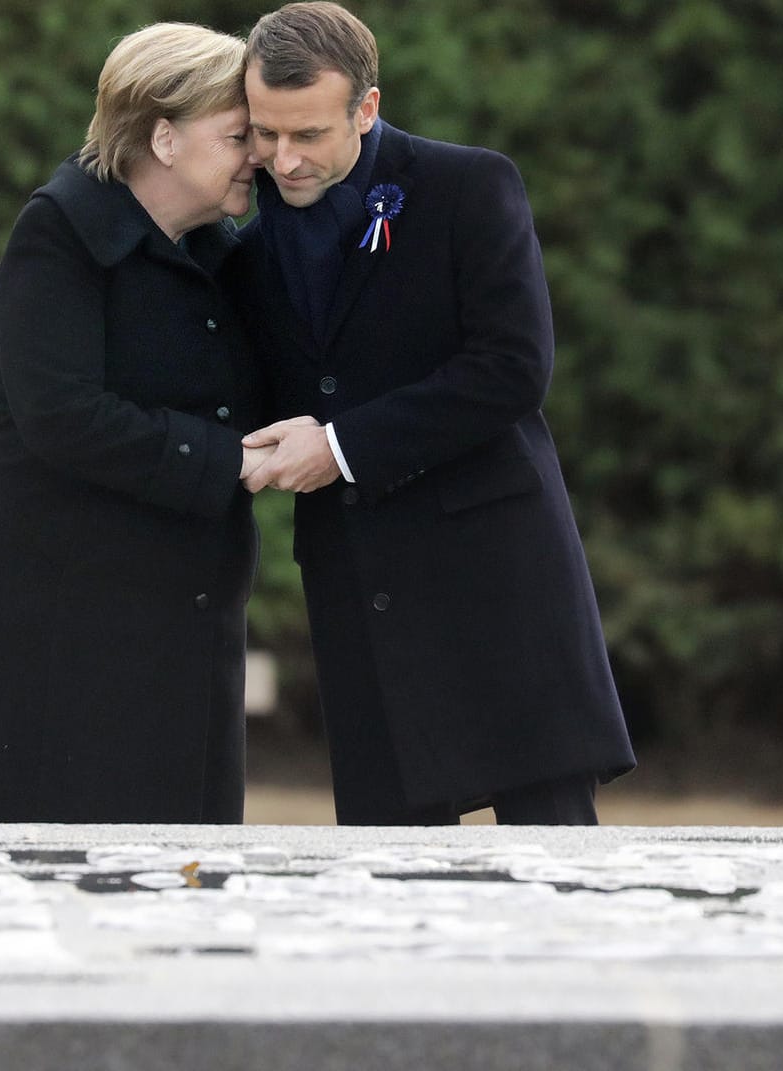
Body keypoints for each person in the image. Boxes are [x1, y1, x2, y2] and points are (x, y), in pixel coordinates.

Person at [231, 2, 635, 825]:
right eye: (264, 133)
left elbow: (512, 368)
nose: (283, 159)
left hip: (494, 567)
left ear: (366, 107)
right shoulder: (242, 244)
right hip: (358, 578)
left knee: (552, 854)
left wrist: (340, 446)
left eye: (307, 134)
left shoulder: (467, 185)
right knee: (386, 865)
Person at [0, 23, 269, 823]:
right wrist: (227, 462)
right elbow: (61, 415)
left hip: (176, 600)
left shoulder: (220, 249)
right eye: (239, 134)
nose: (260, 154)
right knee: (36, 862)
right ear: (164, 136)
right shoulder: (60, 231)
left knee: (178, 867)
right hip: (47, 596)